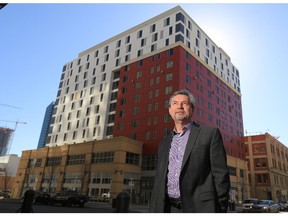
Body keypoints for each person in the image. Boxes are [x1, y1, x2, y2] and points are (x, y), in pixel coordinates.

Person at [149, 89, 230, 213]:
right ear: (170, 110)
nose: (179, 106)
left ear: (192, 109)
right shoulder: (164, 143)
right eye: (175, 103)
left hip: (200, 209)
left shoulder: (209, 134)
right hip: (167, 209)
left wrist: (220, 208)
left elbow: (221, 175)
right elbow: (158, 180)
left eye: (184, 103)